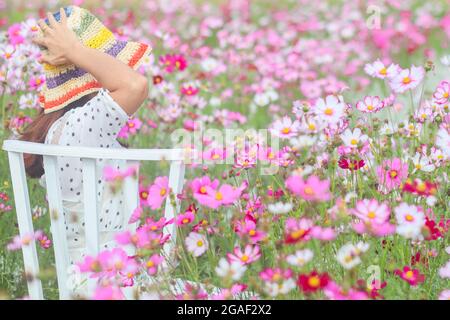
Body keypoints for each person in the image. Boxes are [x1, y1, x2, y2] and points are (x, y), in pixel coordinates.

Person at [19, 6, 151, 265]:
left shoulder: (67, 127)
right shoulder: (79, 127)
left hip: (107, 273)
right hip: (104, 281)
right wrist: (74, 51)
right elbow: (135, 86)